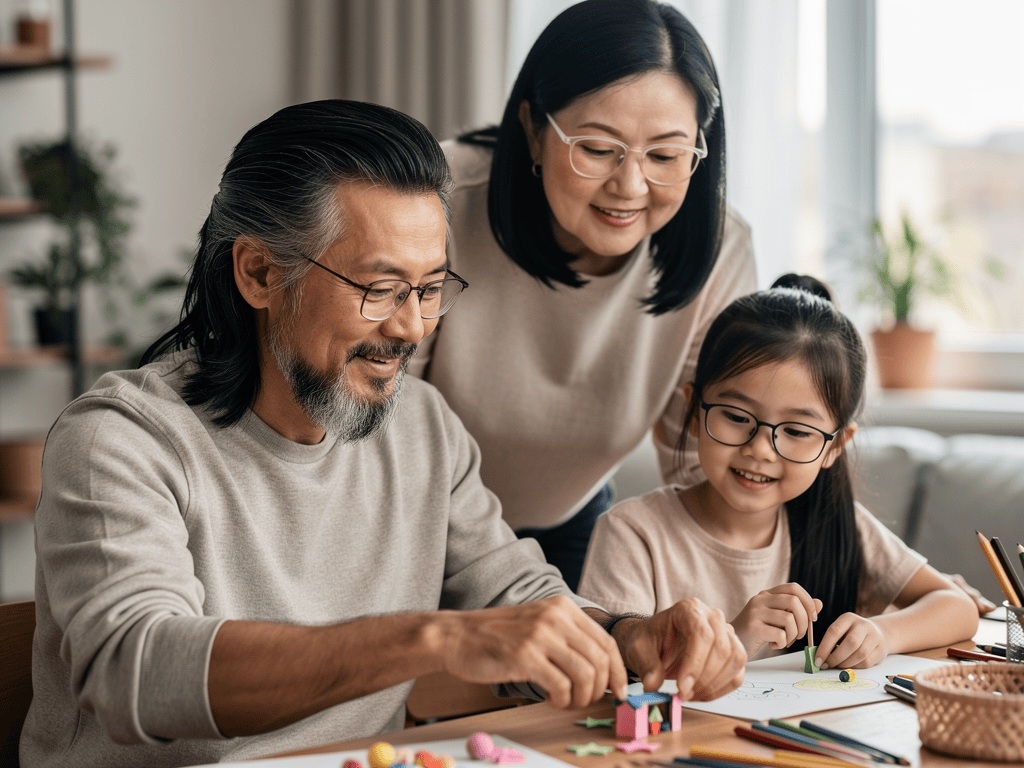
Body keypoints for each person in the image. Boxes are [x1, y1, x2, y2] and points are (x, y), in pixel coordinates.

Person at [22, 100, 745, 768]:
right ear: (259, 272)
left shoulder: (422, 426)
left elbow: (513, 598)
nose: (410, 327)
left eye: (431, 289)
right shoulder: (120, 441)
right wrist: (429, 638)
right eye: (379, 289)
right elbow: (134, 671)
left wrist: (625, 637)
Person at [407, 0, 757, 590]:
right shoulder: (437, 199)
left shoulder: (721, 249)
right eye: (597, 149)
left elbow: (703, 465)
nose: (630, 186)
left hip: (569, 524)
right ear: (534, 129)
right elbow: (376, 417)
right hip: (412, 520)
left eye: (667, 156)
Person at [577, 275, 979, 668]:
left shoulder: (837, 523)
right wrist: (735, 639)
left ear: (834, 447)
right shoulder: (632, 532)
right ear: (693, 410)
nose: (759, 449)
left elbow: (956, 607)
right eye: (736, 416)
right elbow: (609, 671)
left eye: (796, 431)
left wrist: (884, 633)